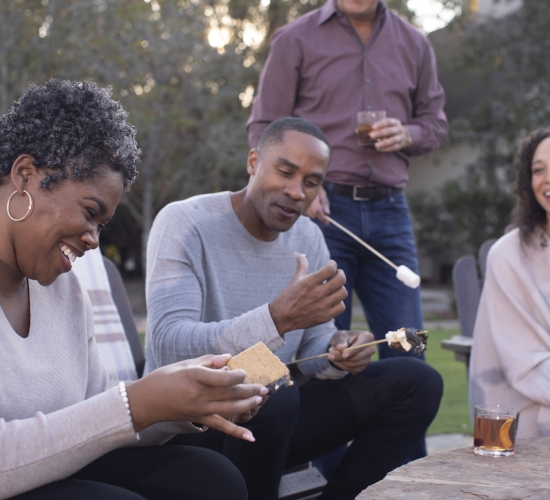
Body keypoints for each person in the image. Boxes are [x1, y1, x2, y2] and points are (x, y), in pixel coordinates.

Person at [145, 117, 443, 500]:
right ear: (253, 162)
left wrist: (339, 349)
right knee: (272, 383)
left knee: (418, 381)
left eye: (311, 181)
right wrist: (276, 319)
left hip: (274, 417)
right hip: (192, 424)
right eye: (285, 171)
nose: (296, 191)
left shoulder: (309, 237)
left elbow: (313, 348)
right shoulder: (185, 222)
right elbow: (169, 344)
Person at [0, 79, 269, 500]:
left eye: (101, 225)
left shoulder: (66, 293)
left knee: (212, 479)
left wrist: (182, 402)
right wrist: (136, 402)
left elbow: (99, 420)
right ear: (25, 175)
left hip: (53, 478)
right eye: (90, 213)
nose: (93, 238)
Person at [247, 0, 448, 362]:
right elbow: (264, 128)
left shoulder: (415, 43)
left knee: (410, 350)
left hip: (391, 211)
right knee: (327, 353)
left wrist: (408, 133)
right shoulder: (294, 39)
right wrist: (304, 187)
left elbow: (435, 124)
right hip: (321, 214)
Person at [470, 128, 550, 438]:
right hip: (524, 413)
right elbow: (521, 362)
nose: (546, 179)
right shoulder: (508, 255)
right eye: (538, 170)